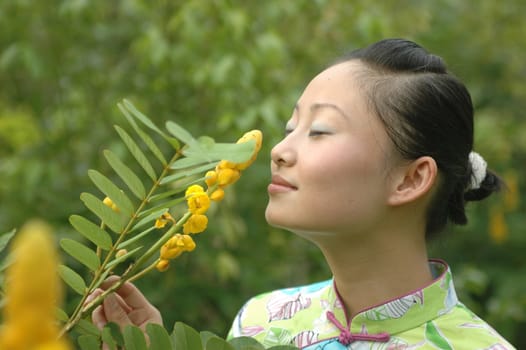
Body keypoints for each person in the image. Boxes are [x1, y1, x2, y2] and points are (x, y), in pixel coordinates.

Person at [91, 38, 515, 349]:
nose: (279, 151)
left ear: (410, 179)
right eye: (291, 128)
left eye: (320, 131)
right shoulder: (260, 323)